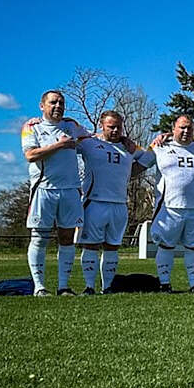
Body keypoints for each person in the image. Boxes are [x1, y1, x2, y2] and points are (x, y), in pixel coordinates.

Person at [20, 90, 92, 296]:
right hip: (43, 189)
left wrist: (121, 138)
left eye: (61, 103)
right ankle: (39, 287)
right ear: (42, 106)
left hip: (70, 190)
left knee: (67, 237)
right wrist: (59, 145)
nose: (58, 106)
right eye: (53, 102)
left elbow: (92, 138)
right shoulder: (31, 127)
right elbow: (30, 155)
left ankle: (63, 287)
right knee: (39, 238)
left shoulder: (71, 126)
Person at [135, 115, 194, 292]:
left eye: (189, 127)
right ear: (173, 129)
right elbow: (138, 166)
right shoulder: (159, 146)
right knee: (165, 246)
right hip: (168, 207)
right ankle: (164, 283)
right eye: (182, 127)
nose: (186, 131)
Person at [75, 110, 140, 294]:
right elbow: (67, 144)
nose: (115, 130)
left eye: (119, 126)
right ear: (102, 125)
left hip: (119, 204)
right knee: (91, 245)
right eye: (111, 126)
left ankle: (108, 287)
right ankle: (89, 287)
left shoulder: (129, 148)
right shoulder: (89, 143)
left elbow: (148, 158)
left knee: (112, 246)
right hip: (94, 202)